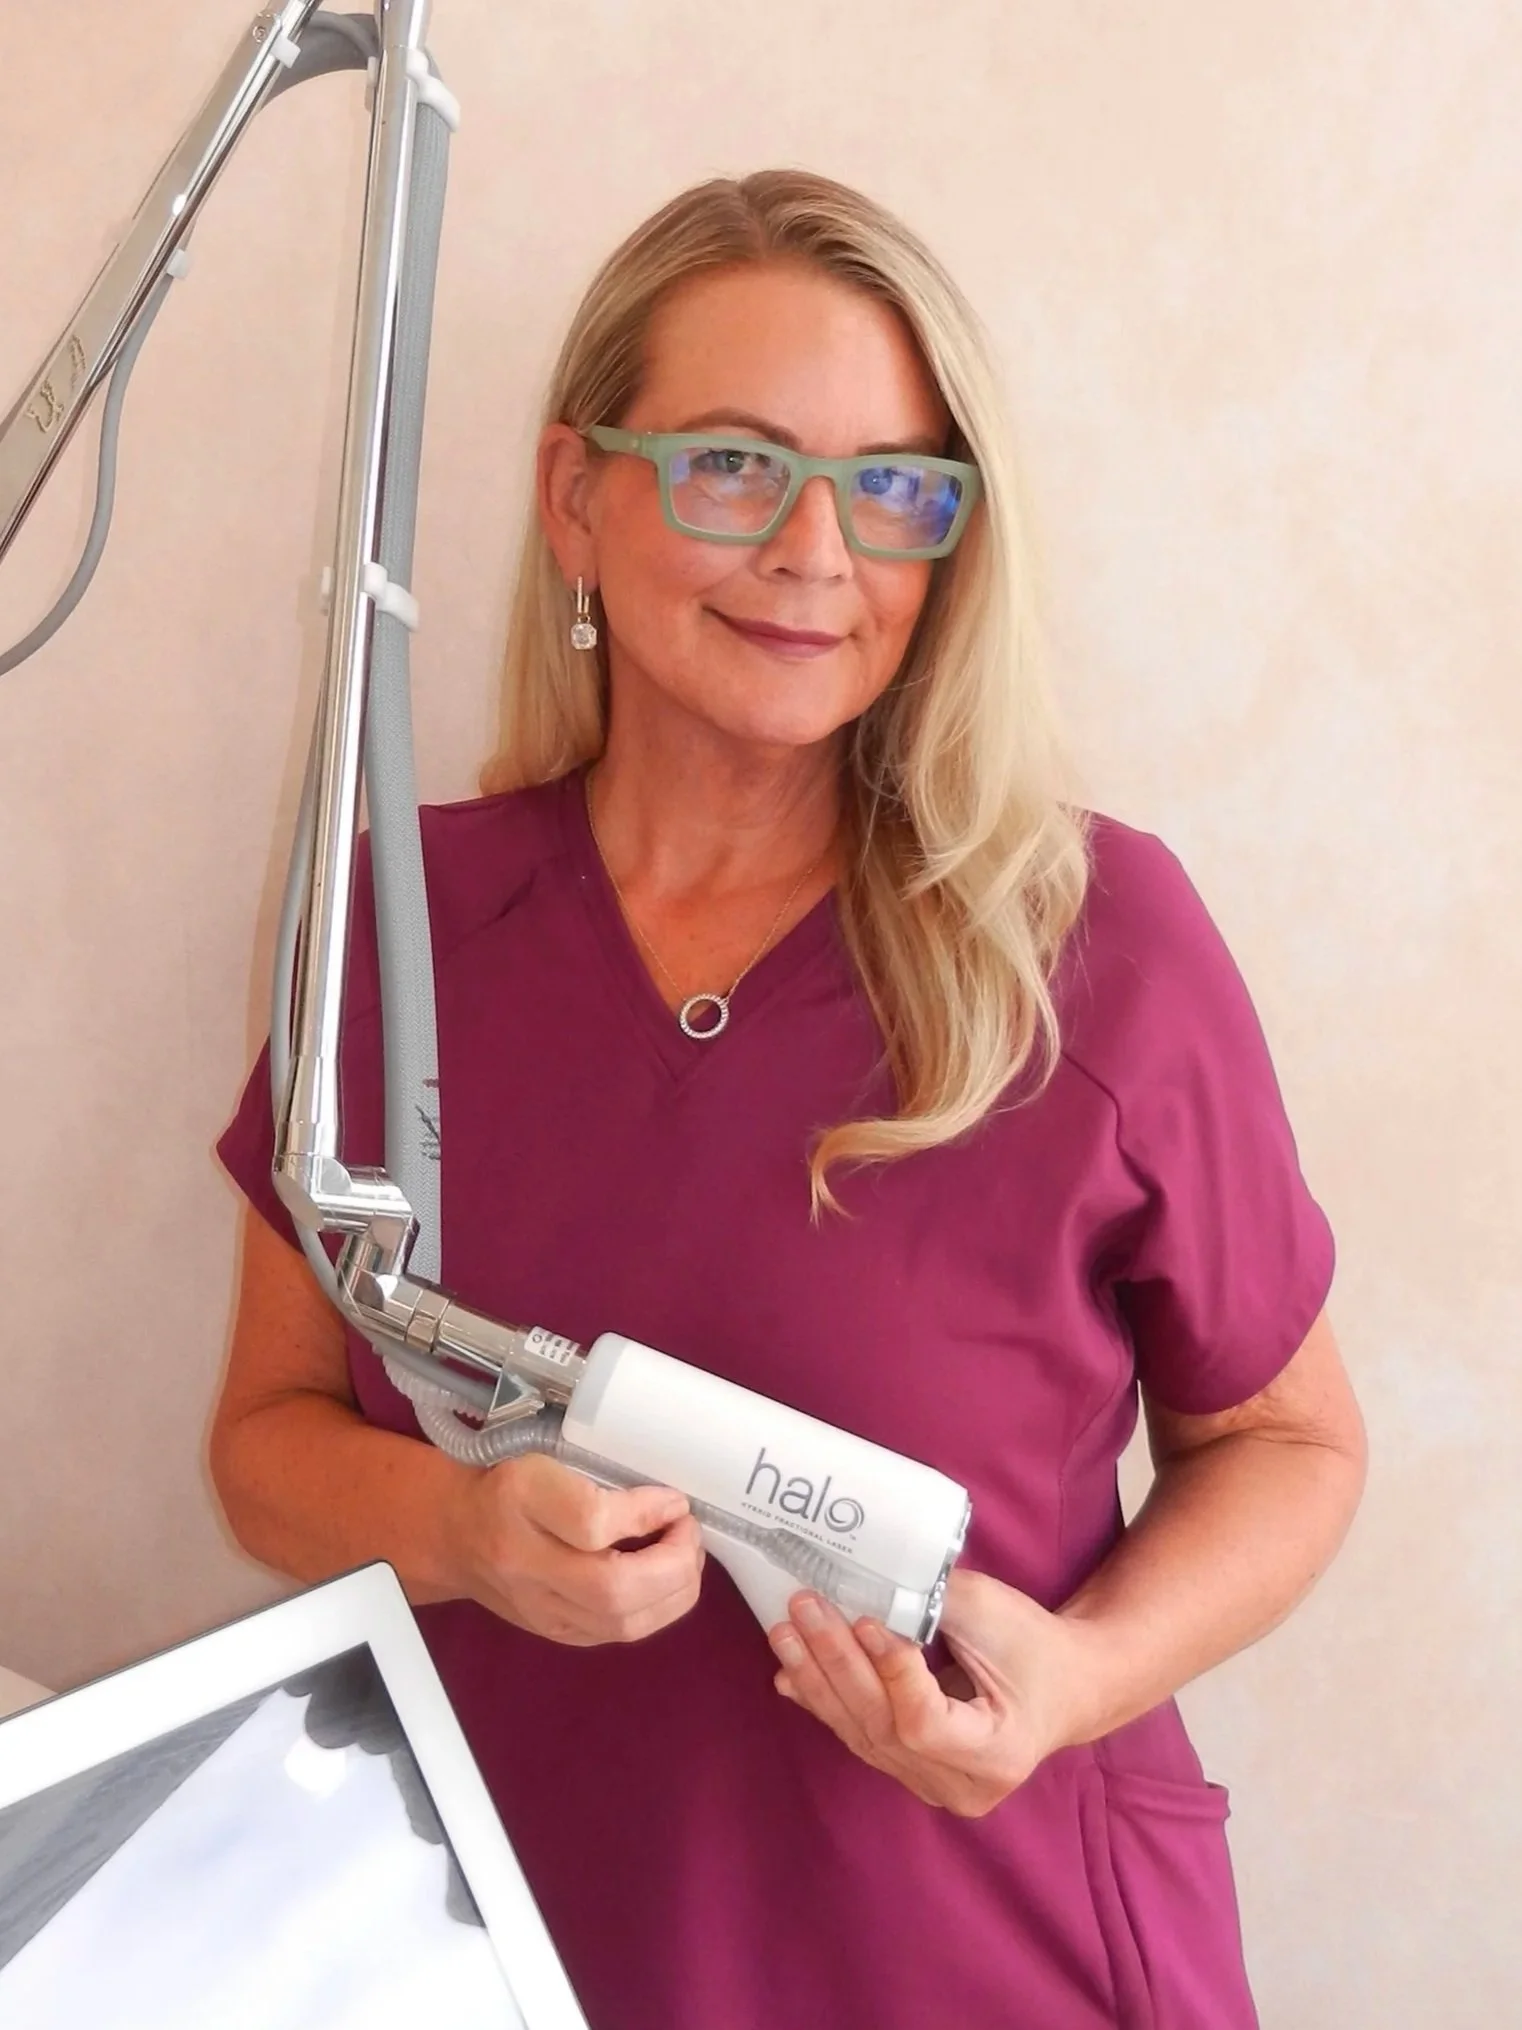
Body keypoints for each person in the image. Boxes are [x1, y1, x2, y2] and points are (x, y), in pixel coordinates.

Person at [210, 168, 1367, 2030]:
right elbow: (263, 1438)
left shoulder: (1094, 941)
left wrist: (1073, 1680)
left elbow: (1292, 1445)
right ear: (576, 497)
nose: (820, 551)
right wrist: (455, 1528)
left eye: (895, 485)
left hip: (994, 1951)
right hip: (514, 1949)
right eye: (735, 465)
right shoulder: (396, 924)